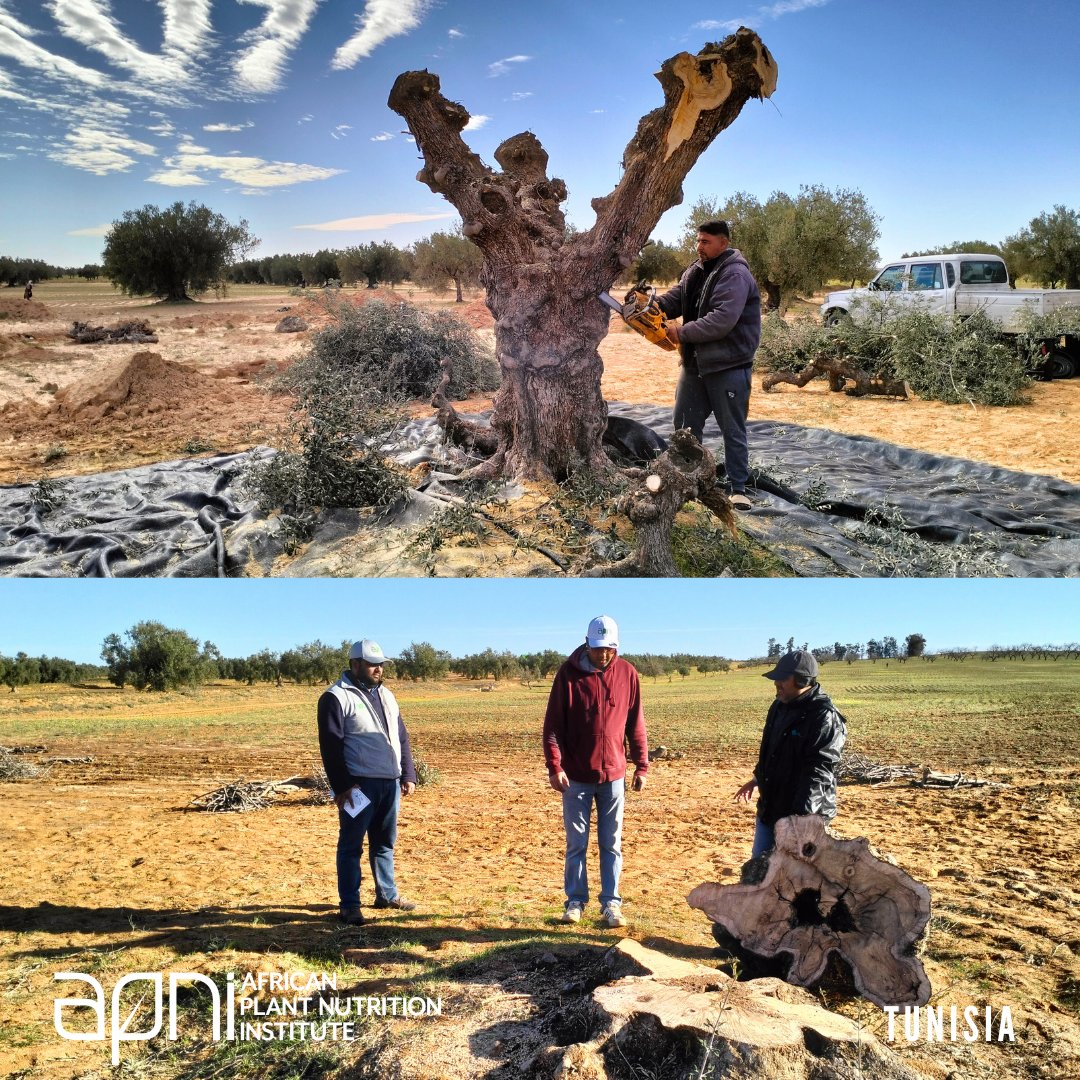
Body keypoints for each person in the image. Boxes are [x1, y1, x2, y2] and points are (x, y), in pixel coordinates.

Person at [543, 615, 649, 928]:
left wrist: (641, 765)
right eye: (598, 648)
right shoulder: (567, 675)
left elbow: (636, 724)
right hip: (575, 776)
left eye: (609, 649)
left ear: (616, 647)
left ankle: (612, 905)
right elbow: (553, 726)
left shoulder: (627, 674)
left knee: (611, 843)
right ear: (587, 643)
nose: (603, 654)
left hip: (614, 776)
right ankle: (575, 902)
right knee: (577, 843)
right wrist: (554, 765)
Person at [655, 220, 761, 512]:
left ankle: (738, 488)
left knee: (732, 429)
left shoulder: (735, 274)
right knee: (684, 428)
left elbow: (722, 320)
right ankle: (686, 479)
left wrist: (680, 333)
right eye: (698, 240)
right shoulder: (695, 270)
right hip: (694, 364)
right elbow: (677, 298)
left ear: (723, 243)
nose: (699, 246)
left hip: (728, 365)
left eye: (706, 241)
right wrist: (653, 306)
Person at [317, 639, 418, 925]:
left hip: (390, 783)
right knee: (351, 846)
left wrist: (408, 773)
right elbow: (330, 746)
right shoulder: (336, 697)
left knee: (385, 843)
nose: (378, 669)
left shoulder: (387, 695)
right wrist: (343, 786)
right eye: (373, 664)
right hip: (358, 787)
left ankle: (386, 894)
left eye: (381, 663)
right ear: (355, 664)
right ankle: (350, 904)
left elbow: (401, 737)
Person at [734, 650, 846, 857]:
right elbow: (769, 751)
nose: (776, 683)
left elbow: (818, 772)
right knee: (759, 871)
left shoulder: (823, 717)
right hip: (770, 810)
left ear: (802, 680)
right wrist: (757, 778)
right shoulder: (778, 706)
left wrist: (801, 822)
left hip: (803, 817)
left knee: (794, 879)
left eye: (782, 678)